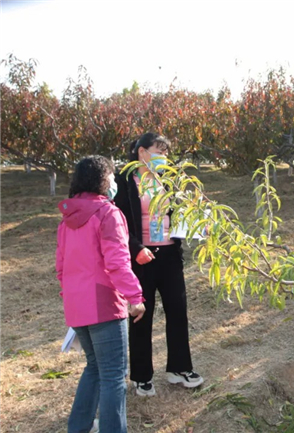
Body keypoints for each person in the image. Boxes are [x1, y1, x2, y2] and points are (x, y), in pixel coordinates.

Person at [56, 155, 146, 433]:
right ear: (102, 180)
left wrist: (73, 297)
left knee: (95, 367)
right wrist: (135, 297)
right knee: (113, 376)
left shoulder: (67, 218)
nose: (113, 181)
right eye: (111, 176)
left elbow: (61, 268)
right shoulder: (108, 214)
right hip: (104, 305)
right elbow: (117, 263)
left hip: (77, 307)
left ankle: (79, 427)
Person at [114, 132, 203, 397]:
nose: (164, 156)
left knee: (178, 310)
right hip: (142, 257)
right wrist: (136, 248)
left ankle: (179, 368)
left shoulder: (167, 179)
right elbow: (117, 223)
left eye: (166, 152)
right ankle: (142, 376)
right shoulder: (124, 180)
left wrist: (197, 222)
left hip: (169, 255)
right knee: (142, 315)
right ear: (142, 151)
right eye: (159, 151)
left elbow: (178, 213)